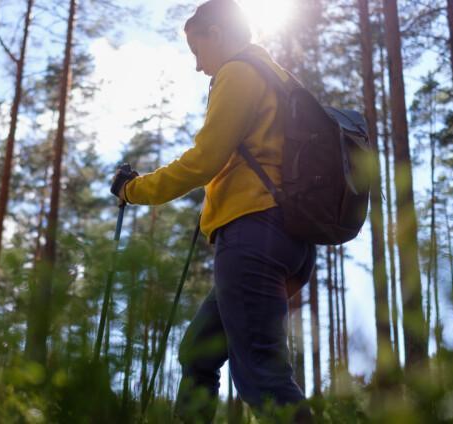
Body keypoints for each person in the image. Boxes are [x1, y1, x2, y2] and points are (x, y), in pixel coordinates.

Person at [111, 0, 316, 422]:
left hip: (253, 235)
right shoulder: (276, 77)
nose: (199, 66)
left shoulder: (239, 72)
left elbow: (203, 160)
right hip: (290, 239)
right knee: (198, 354)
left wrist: (133, 190)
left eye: (197, 51)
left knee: (261, 374)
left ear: (216, 33)